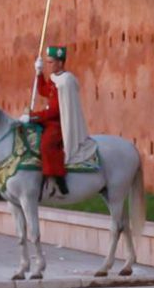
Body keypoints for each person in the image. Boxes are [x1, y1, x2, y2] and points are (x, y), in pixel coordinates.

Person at [19, 46, 97, 196]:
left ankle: (58, 178)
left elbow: (55, 111)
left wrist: (33, 116)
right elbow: (43, 91)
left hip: (59, 122)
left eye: (51, 62)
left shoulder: (66, 81)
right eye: (47, 62)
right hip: (49, 119)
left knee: (47, 144)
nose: (49, 65)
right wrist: (39, 74)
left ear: (60, 63)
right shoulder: (55, 78)